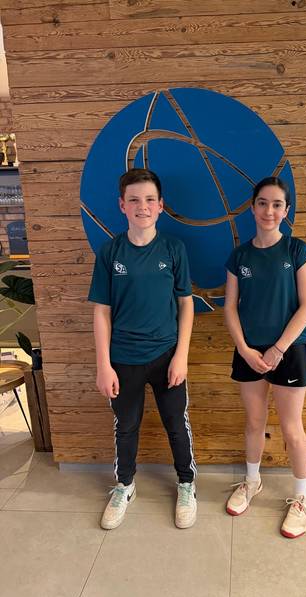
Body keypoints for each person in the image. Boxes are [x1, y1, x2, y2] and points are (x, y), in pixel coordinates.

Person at [88, 168, 197, 530]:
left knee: (176, 425)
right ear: (122, 205)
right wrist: (104, 365)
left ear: (161, 205)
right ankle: (125, 486)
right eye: (134, 199)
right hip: (123, 359)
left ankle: (186, 485)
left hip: (167, 356)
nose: (142, 206)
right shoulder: (110, 252)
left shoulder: (173, 249)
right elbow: (101, 311)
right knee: (126, 426)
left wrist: (181, 356)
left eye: (150, 199)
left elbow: (185, 304)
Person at [224, 176, 306, 539]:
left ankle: (302, 497)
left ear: (286, 210)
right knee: (254, 422)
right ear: (252, 208)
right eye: (262, 203)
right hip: (249, 352)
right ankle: (252, 481)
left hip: (289, 351)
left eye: (277, 204)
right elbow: (230, 307)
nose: (269, 210)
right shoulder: (240, 256)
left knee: (292, 428)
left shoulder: (297, 250)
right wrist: (244, 349)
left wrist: (278, 348)